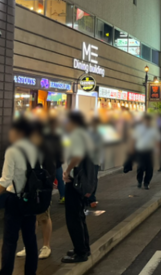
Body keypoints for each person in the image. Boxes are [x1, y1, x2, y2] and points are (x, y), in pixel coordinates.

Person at [0, 119, 40, 275]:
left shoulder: (12, 151)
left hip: (15, 199)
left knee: (9, 241)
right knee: (30, 239)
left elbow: (6, 180)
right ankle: (30, 272)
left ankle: (6, 273)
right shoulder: (35, 149)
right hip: (32, 199)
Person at [16, 121, 56, 259]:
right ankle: (29, 245)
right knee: (29, 217)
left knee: (43, 216)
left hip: (41, 188)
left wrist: (47, 184)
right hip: (27, 187)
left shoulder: (45, 147)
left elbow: (51, 168)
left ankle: (46, 246)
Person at [62, 111, 94, 263]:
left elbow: (77, 155)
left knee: (73, 218)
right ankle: (83, 248)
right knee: (80, 216)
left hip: (74, 182)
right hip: (81, 183)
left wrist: (67, 171)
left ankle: (80, 252)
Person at [132, 115, 161, 190]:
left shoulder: (153, 130)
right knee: (140, 167)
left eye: (148, 121)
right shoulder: (138, 129)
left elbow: (157, 141)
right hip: (140, 151)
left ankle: (146, 183)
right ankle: (139, 181)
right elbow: (134, 139)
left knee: (149, 168)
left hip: (150, 151)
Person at [87, 116, 103, 208]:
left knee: (92, 179)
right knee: (91, 179)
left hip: (94, 159)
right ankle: (90, 198)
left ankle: (91, 198)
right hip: (90, 160)